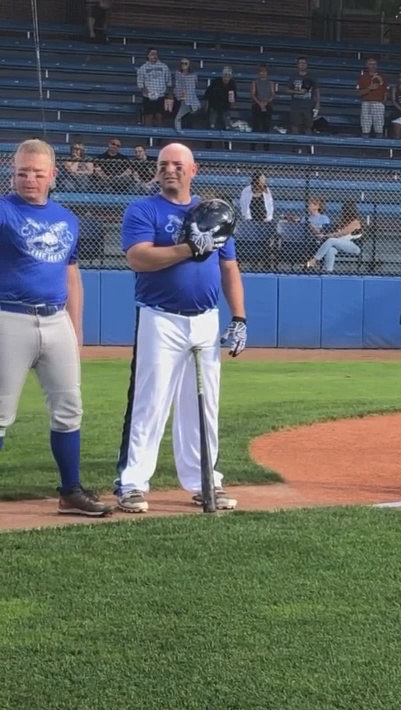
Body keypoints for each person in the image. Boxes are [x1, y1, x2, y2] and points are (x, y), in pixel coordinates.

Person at [111, 142, 248, 513]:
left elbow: (229, 267)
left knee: (203, 406)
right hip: (160, 317)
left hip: (206, 319)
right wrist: (189, 248)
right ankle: (132, 483)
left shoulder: (214, 212)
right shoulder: (144, 209)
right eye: (163, 164)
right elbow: (138, 258)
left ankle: (205, 481)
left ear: (193, 170)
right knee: (149, 402)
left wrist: (239, 318)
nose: (169, 170)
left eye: (177, 164)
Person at [0, 138, 112, 517]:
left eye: (36, 173)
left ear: (52, 174)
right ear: (12, 173)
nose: (29, 179)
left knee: (69, 408)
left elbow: (72, 277)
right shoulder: (4, 210)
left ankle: (70, 492)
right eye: (21, 173)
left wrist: (75, 330)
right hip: (9, 317)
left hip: (56, 320)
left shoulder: (67, 219)